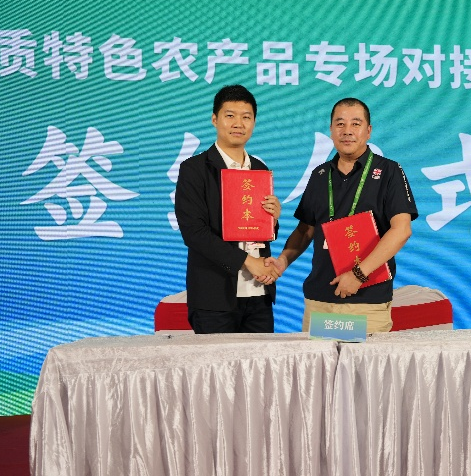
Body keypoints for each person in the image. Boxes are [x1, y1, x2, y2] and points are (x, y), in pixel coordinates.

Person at [269, 97, 417, 333]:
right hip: (319, 301)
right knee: (317, 359)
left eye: (356, 124)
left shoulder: (389, 171)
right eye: (340, 124)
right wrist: (283, 261)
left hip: (365, 301)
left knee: (362, 359)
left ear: (368, 131)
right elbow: (305, 230)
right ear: (331, 130)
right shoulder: (319, 175)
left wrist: (358, 275)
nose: (347, 131)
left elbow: (402, 230)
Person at [175, 84, 281, 333]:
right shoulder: (195, 169)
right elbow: (194, 233)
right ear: (215, 119)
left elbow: (259, 231)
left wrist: (273, 219)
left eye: (246, 117)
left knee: (262, 360)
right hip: (214, 297)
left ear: (254, 122)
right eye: (230, 115)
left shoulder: (259, 169)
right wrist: (247, 261)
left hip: (259, 293)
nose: (238, 124)